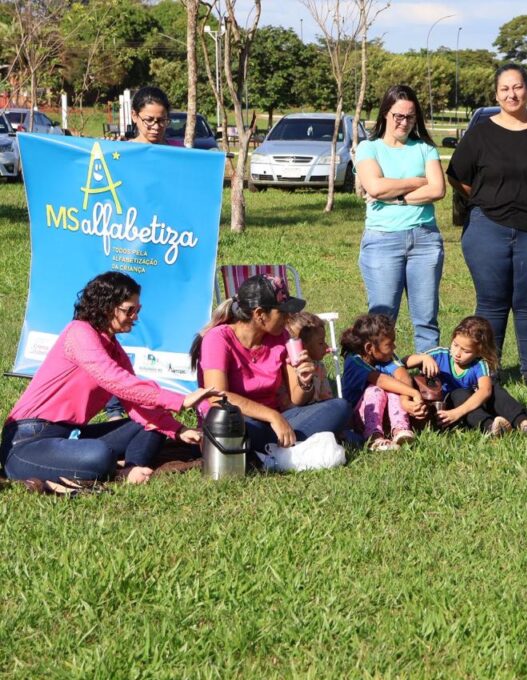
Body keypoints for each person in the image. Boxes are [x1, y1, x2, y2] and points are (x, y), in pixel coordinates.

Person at [1, 272, 217, 491]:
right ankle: (115, 470)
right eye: (129, 310)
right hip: (29, 441)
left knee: (154, 424)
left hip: (69, 436)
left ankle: (131, 470)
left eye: (137, 310)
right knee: (100, 454)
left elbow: (135, 402)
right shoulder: (79, 332)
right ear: (106, 307)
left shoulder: (113, 348)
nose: (135, 317)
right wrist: (181, 400)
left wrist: (178, 430)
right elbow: (113, 379)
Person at [447, 64, 527, 385]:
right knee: (491, 301)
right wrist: (490, 200)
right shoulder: (480, 133)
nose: (511, 94)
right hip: (487, 229)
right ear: (496, 94)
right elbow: (459, 176)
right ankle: (491, 371)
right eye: (504, 89)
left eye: (517, 87)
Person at [190, 275, 352, 462]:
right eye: (282, 312)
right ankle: (285, 449)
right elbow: (217, 397)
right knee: (230, 426)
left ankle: (268, 453)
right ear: (260, 314)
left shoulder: (282, 337)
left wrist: (305, 382)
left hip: (275, 423)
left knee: (340, 407)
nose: (288, 317)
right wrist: (273, 416)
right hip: (236, 422)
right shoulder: (217, 339)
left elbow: (297, 399)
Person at [102, 85, 176, 422]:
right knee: (119, 326)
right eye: (148, 120)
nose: (156, 127)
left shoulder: (179, 157)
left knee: (158, 323)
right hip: (125, 252)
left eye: (162, 121)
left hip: (164, 254)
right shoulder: (118, 154)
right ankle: (116, 404)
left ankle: (163, 394)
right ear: (134, 117)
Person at [355, 84, 446, 352]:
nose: (404, 122)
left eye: (410, 116)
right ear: (385, 114)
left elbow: (438, 189)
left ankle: (430, 381)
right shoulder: (369, 148)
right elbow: (375, 187)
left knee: (426, 320)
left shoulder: (425, 148)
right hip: (382, 241)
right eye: (398, 116)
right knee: (381, 321)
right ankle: (381, 381)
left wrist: (397, 197)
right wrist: (417, 181)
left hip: (425, 240)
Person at [405, 316, 527, 437]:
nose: (457, 353)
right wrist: (423, 358)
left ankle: (524, 423)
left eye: (465, 350)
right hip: (446, 412)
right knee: (459, 393)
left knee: (494, 389)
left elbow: (485, 391)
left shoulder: (479, 365)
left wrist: (458, 412)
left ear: (479, 352)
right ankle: (491, 427)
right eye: (455, 345)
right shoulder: (440, 355)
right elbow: (403, 363)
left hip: (463, 409)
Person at [339, 313, 425, 451]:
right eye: (389, 344)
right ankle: (374, 436)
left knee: (397, 388)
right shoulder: (354, 359)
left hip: (384, 415)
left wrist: (405, 401)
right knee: (376, 390)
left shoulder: (385, 355)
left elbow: (403, 376)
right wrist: (413, 392)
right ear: (369, 348)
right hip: (356, 419)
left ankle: (400, 430)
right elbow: (381, 380)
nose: (394, 347)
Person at [282, 312, 334, 406]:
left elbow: (327, 398)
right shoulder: (291, 366)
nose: (326, 346)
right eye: (321, 343)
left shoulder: (319, 367)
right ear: (303, 347)